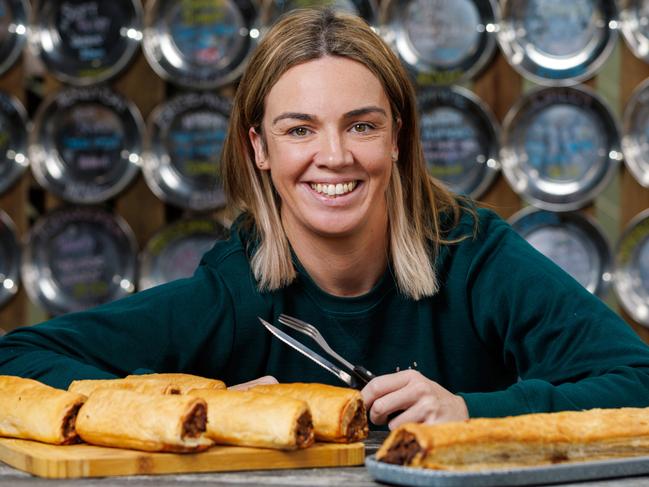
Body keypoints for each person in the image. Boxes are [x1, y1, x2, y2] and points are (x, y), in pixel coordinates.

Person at [2, 9, 649, 431]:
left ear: (396, 137)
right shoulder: (232, 289)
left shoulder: (474, 256)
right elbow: (18, 356)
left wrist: (471, 413)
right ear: (259, 147)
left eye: (361, 125)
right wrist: (192, 403)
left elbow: (638, 382)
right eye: (299, 129)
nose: (333, 156)